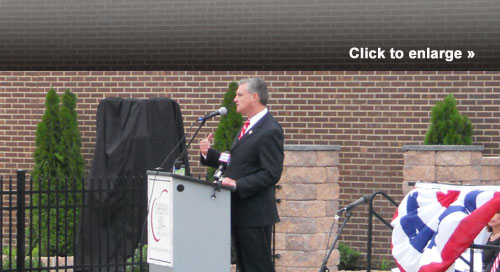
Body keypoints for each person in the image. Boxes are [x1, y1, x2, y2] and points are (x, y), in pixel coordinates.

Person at [199, 77, 284, 272]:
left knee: (257, 267)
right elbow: (236, 161)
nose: (235, 99)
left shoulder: (270, 130)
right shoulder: (248, 127)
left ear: (254, 97)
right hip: (239, 211)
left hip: (255, 214)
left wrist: (238, 184)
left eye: (239, 95)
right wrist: (209, 154)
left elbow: (271, 173)